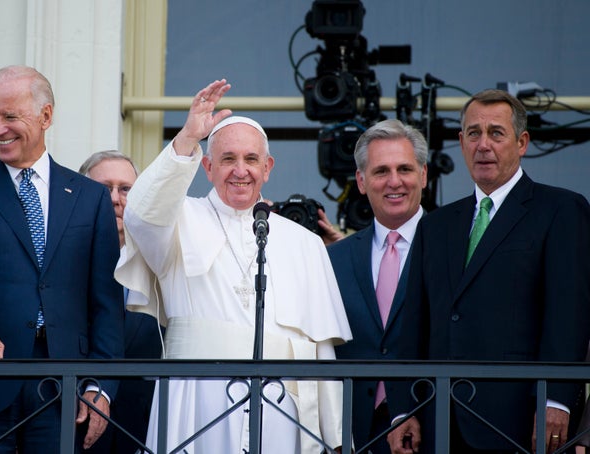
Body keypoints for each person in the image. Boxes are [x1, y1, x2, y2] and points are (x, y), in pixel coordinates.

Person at [114, 79, 352, 453]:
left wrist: (336, 436)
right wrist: (188, 138)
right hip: (197, 403)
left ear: (268, 167)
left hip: (282, 411)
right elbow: (140, 214)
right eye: (227, 159)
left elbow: (321, 349)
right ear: (206, 166)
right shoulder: (177, 220)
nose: (240, 171)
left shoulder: (304, 243)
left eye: (251, 159)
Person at [0, 65, 125, 453]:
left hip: (62, 390)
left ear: (46, 116)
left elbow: (106, 302)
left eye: (10, 116)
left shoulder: (89, 197)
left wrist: (101, 386)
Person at [387, 89, 590, 454]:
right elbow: (413, 326)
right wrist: (403, 409)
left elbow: (568, 314)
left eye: (496, 133)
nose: (484, 145)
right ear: (460, 142)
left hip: (521, 422)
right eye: (474, 134)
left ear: (522, 142)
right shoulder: (435, 225)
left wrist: (557, 400)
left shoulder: (561, 210)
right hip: (440, 423)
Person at [328, 119, 427, 454]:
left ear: (423, 176)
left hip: (432, 431)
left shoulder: (453, 247)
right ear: (361, 180)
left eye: (405, 169)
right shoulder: (333, 259)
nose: (394, 181)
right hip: (353, 436)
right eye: (381, 170)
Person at [79, 150, 163, 453]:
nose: (115, 198)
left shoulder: (164, 261)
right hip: (75, 427)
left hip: (146, 431)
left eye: (126, 189)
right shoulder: (59, 263)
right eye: (104, 189)